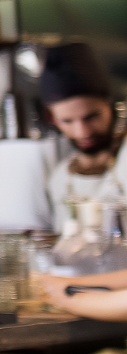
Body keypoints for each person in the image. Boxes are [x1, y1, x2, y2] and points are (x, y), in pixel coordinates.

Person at [41, 43, 125, 231]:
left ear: (110, 105)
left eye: (92, 117)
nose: (83, 132)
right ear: (53, 119)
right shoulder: (60, 179)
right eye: (67, 121)